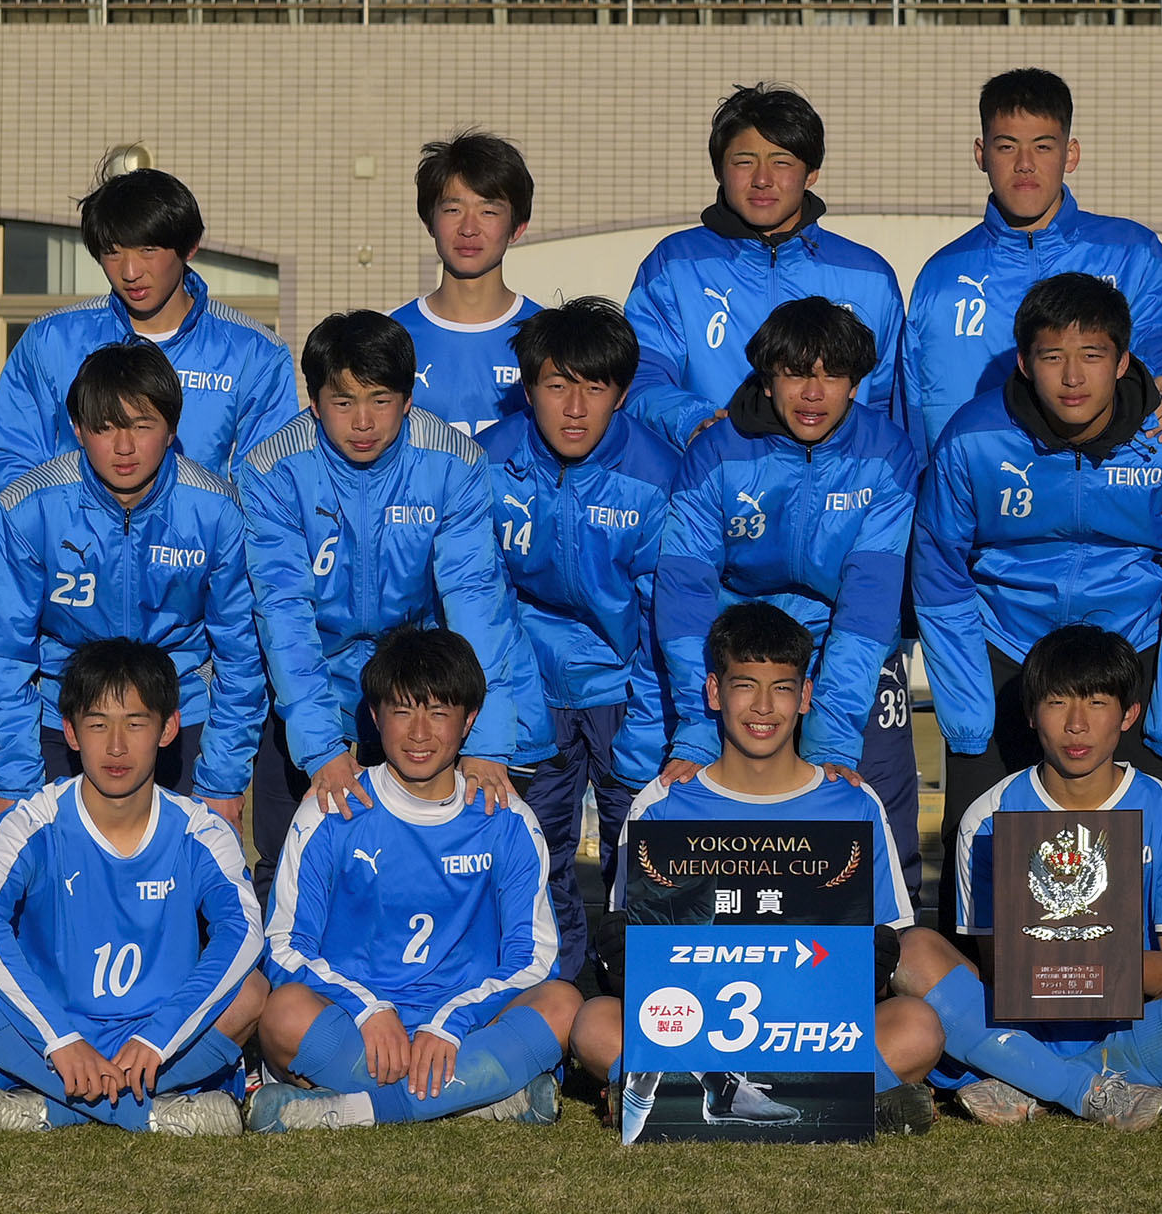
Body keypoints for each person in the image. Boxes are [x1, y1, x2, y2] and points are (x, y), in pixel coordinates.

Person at [914, 273, 1162, 935]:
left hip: (1128, 653)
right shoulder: (973, 440)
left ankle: (1158, 1017)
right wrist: (970, 713)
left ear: (1123, 360)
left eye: (1092, 356)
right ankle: (971, 1017)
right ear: (1026, 363)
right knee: (983, 853)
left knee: (1156, 854)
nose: (1073, 377)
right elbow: (940, 571)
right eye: (1053, 357)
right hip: (1008, 655)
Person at [572, 603, 942, 1137]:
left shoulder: (854, 804)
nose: (764, 706)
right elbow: (639, 958)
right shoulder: (663, 804)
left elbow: (885, 940)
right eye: (745, 685)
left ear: (807, 696)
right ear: (714, 693)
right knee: (596, 1024)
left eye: (783, 688)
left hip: (813, 1031)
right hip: (704, 1034)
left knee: (918, 1026)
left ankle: (685, 1093)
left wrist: (874, 961)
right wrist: (627, 953)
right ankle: (841, 1093)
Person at [896, 624, 1162, 1133]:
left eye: (1098, 703)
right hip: (1025, 1026)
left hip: (1133, 1023)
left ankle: (1025, 1079)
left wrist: (1093, 961)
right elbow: (999, 970)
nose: (1077, 725)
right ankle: (1084, 1088)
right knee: (914, 950)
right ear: (1030, 712)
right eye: (1058, 703)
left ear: (1128, 714)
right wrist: (1048, 960)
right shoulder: (989, 816)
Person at [233, 311, 538, 880]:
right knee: (292, 862)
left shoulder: (452, 460)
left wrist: (489, 739)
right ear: (314, 398)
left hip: (410, 688)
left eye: (381, 399)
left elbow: (474, 601)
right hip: (308, 688)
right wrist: (321, 746)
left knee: (416, 864)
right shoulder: (274, 468)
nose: (363, 421)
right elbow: (284, 612)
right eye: (343, 402)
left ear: (408, 395)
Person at [250, 629, 578, 1131]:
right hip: (359, 1025)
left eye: (439, 713)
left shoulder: (506, 817)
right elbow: (284, 947)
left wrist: (452, 1023)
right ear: (376, 716)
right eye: (403, 712)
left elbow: (535, 957)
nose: (420, 733)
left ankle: (356, 1109)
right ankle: (484, 1095)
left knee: (563, 1004)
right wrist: (368, 1009)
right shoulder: (330, 808)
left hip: (466, 1025)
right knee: (282, 1014)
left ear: (469, 720)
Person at [0, 639, 267, 1135]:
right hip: (53, 1036)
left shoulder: (199, 829)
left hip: (158, 1042)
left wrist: (160, 1038)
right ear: (71, 733)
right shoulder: (34, 820)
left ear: (169, 727)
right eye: (98, 724)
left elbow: (243, 931)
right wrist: (61, 1039)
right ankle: (152, 1113)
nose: (116, 745)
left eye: (135, 723)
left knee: (251, 991)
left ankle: (46, 1108)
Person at [658, 297, 923, 890]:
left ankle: (887, 953)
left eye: (833, 374)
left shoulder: (886, 452)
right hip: (740, 644)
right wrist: (701, 726)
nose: (813, 392)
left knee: (865, 798)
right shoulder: (717, 450)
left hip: (846, 644)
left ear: (857, 382)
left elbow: (872, 598)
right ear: (767, 375)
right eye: (798, 372)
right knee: (718, 813)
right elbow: (684, 595)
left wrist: (831, 734)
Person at [475, 298, 682, 985]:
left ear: (621, 393)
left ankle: (644, 1006)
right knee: (537, 850)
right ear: (529, 387)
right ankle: (550, 998)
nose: (573, 407)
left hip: (627, 686)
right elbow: (479, 598)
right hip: (527, 684)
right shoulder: (491, 461)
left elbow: (669, 620)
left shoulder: (657, 475)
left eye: (594, 387)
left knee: (642, 850)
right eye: (556, 385)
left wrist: (651, 728)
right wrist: (504, 711)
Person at [0, 343, 262, 821]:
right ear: (79, 431)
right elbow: (2, 651)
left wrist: (223, 780)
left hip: (180, 712)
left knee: (183, 883)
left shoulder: (217, 511)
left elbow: (240, 654)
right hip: (60, 713)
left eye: (142, 426)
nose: (124, 448)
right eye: (105, 428)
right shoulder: (30, 507)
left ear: (171, 429)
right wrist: (13, 780)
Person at [902, 68, 1162, 454]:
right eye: (1007, 147)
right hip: (979, 500)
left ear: (1071, 154)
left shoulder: (1131, 251)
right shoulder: (942, 276)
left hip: (1103, 488)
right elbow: (911, 416)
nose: (1025, 163)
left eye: (1043, 146)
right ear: (981, 155)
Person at [0, 167, 304, 491]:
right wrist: (64, 527)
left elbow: (269, 483)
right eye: (113, 252)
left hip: (196, 542)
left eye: (148, 250)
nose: (130, 272)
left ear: (189, 247)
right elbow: (10, 457)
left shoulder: (254, 351)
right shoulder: (52, 339)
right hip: (73, 542)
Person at [621, 83, 906, 445]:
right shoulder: (675, 264)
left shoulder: (869, 275)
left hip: (836, 489)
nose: (761, 179)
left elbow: (887, 401)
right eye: (744, 162)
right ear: (719, 170)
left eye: (781, 162)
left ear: (812, 172)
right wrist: (695, 422)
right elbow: (641, 374)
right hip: (710, 482)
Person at [389, 133, 536, 436]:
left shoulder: (549, 337)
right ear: (429, 221)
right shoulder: (389, 336)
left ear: (518, 227)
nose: (469, 229)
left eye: (488, 211)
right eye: (453, 210)